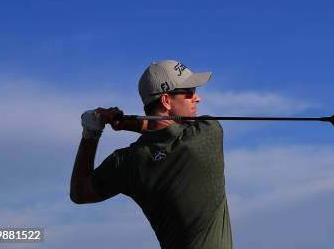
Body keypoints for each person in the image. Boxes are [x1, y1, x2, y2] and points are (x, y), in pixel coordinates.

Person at [70, 60, 233, 249]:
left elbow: (79, 193)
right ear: (166, 101)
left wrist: (91, 130)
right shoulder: (209, 131)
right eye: (189, 93)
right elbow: (167, 134)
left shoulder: (127, 161)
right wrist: (129, 124)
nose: (197, 98)